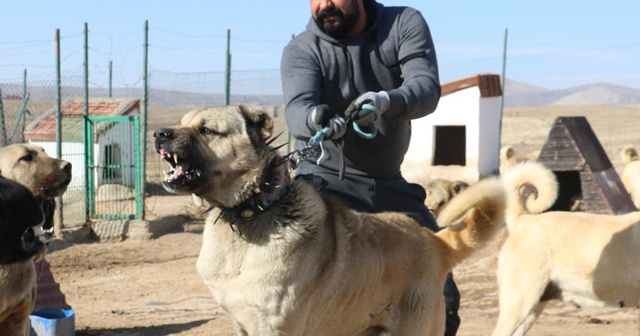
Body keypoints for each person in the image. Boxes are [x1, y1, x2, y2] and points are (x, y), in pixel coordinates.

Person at [280, 0, 461, 335]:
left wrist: (386, 101)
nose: (324, 5)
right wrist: (317, 118)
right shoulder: (302, 49)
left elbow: (425, 87)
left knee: (441, 286)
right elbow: (297, 110)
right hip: (325, 187)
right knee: (325, 291)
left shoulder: (403, 23)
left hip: (389, 185)